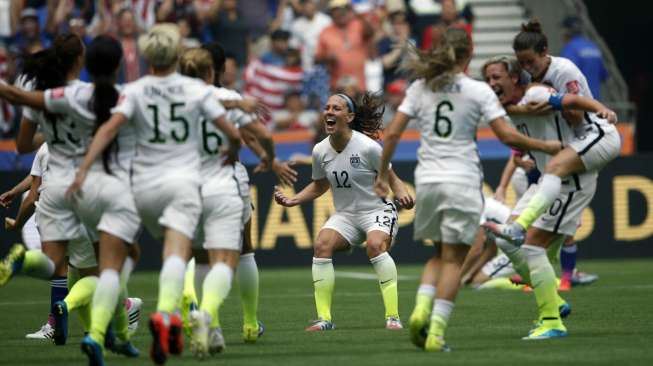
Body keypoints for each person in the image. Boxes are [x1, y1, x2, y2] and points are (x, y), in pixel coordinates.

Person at [373, 28, 562, 351]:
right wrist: (545, 144)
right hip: (461, 181)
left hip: (428, 181)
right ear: (467, 56)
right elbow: (508, 137)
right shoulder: (478, 91)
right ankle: (435, 333)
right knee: (454, 261)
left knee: (437, 254)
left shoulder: (419, 87)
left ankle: (420, 308)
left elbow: (390, 135)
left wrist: (381, 176)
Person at [66, 24, 241, 365]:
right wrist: (233, 148)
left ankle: (97, 334)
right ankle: (164, 314)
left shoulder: (133, 90)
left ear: (146, 56)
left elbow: (108, 129)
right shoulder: (195, 89)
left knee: (113, 265)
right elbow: (231, 131)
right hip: (181, 183)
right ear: (177, 54)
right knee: (176, 253)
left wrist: (84, 169)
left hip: (139, 188)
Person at [481, 54, 618, 339]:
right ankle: (554, 301)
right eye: (488, 78)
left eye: (497, 77)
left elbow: (572, 107)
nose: (491, 83)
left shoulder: (537, 92)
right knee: (506, 238)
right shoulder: (504, 108)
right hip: (547, 180)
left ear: (515, 78)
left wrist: (597, 108)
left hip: (569, 180)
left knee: (532, 247)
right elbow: (512, 137)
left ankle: (552, 320)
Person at [485, 20, 621, 281]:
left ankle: (531, 244)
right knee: (528, 239)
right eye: (522, 64)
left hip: (593, 133)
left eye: (530, 62)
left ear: (544, 52)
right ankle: (537, 277)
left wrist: (599, 108)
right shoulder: (523, 91)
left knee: (555, 170)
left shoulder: (560, 72)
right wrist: (521, 110)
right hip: (566, 154)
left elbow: (574, 107)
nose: (527, 69)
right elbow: (512, 131)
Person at [274, 91, 415, 331]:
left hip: (376, 210)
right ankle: (324, 319)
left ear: (349, 117)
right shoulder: (320, 150)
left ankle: (393, 317)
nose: (329, 111)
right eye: (327, 107)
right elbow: (320, 185)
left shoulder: (369, 147)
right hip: (346, 215)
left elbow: (392, 178)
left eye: (336, 108)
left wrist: (402, 193)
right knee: (322, 244)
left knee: (374, 245)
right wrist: (294, 200)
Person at [560, 16, 608, 100]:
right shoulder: (593, 46)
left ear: (567, 31)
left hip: (579, 102)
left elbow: (566, 74)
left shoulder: (570, 48)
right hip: (595, 102)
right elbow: (604, 75)